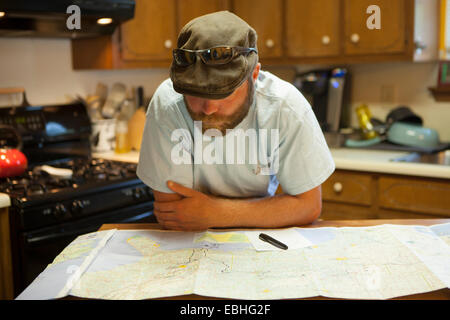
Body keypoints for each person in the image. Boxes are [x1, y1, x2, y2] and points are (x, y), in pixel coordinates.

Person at [136, 11, 335, 231]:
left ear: (254, 74)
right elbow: (174, 215)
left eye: (224, 94)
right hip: (188, 245)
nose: (209, 109)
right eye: (196, 94)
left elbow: (308, 206)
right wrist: (268, 211)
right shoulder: (167, 105)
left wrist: (218, 213)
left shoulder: (285, 106)